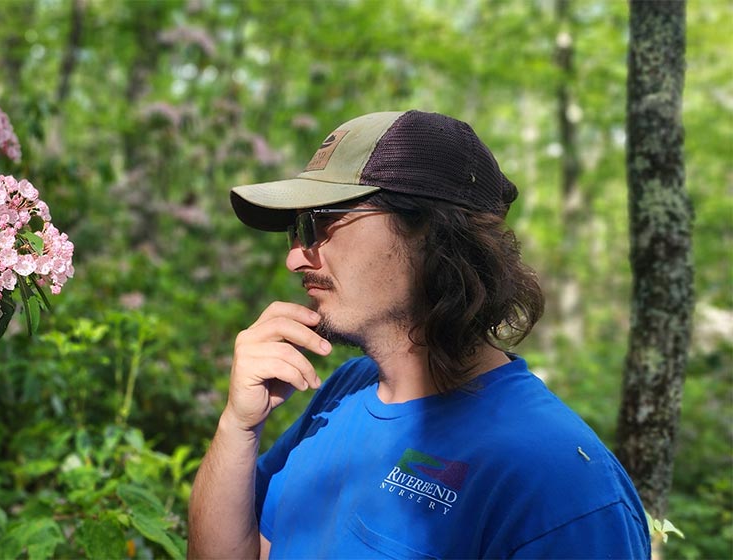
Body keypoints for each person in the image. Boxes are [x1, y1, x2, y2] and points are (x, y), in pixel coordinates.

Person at [188, 110, 650, 559]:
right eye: (296, 229)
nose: (295, 258)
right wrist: (239, 426)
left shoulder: (563, 484)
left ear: (433, 233)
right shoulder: (345, 392)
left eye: (322, 222)